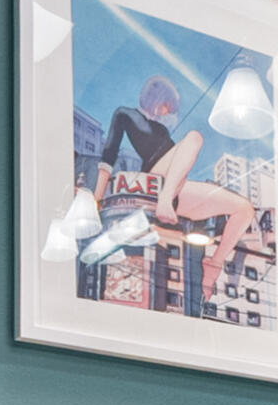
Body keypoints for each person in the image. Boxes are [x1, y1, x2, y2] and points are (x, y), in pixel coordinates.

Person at [87, 74, 263, 292]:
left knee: (244, 208)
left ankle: (214, 264)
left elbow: (179, 159)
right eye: (167, 105)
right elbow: (109, 155)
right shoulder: (125, 113)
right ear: (157, 96)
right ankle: (164, 200)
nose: (168, 111)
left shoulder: (160, 127)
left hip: (176, 187)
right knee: (195, 137)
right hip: (156, 179)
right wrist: (96, 198)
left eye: (170, 108)